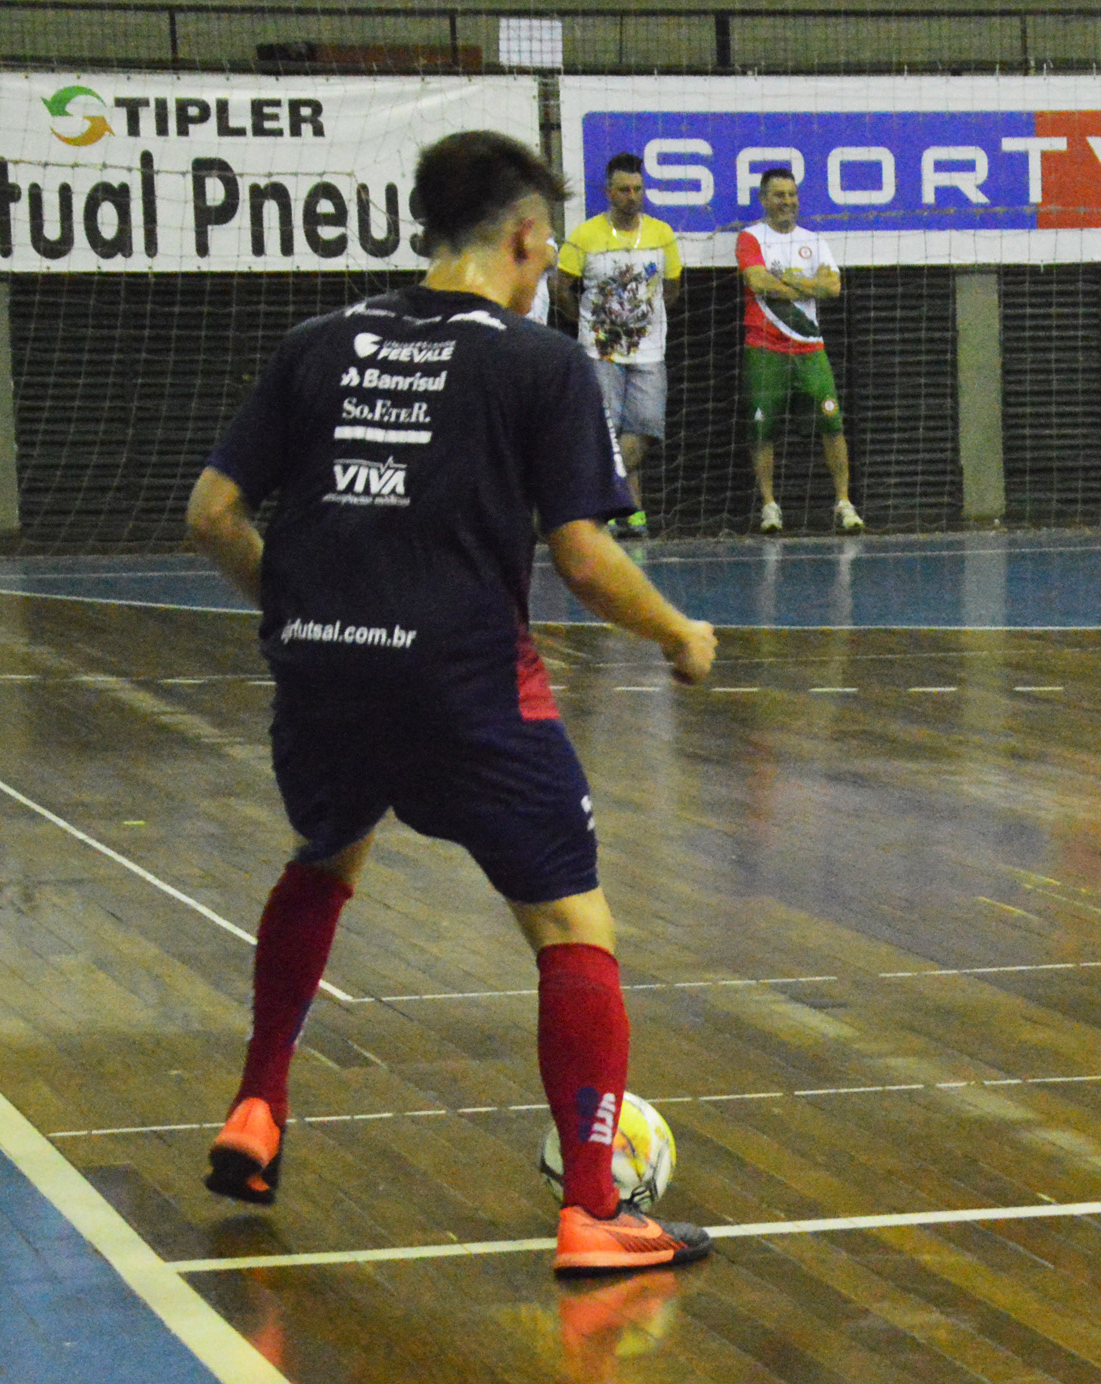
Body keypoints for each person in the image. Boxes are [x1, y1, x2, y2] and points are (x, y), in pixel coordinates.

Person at [183, 129, 717, 1278]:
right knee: (574, 926)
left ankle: (257, 1107)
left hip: (319, 674)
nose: (545, 275)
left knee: (327, 854)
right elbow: (581, 558)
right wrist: (677, 631)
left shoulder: (316, 344)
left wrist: (302, 611)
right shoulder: (539, 362)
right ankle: (593, 1210)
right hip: (463, 685)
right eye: (545, 256)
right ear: (528, 237)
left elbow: (212, 515)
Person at [551, 153, 683, 539]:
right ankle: (631, 511)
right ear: (609, 193)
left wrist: (646, 321)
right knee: (605, 430)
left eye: (638, 189)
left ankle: (592, 499)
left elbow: (672, 287)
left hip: (648, 351)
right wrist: (582, 321)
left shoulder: (662, 233)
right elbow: (561, 286)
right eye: (624, 190)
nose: (632, 196)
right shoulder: (584, 235)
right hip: (600, 351)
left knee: (644, 429)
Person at [738, 168, 863, 534]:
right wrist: (806, 285)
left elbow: (833, 287)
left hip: (810, 348)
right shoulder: (750, 237)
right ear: (764, 199)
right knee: (762, 427)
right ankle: (770, 506)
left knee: (831, 422)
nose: (787, 202)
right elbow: (758, 281)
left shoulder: (814, 239)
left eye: (792, 195)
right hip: (764, 347)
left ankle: (843, 502)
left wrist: (789, 280)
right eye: (779, 195)